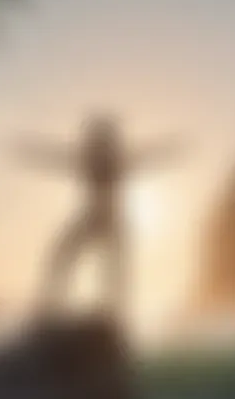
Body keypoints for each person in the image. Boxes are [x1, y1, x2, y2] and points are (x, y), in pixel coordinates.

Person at [12, 114, 187, 318]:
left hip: (110, 223)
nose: (96, 152)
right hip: (95, 220)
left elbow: (149, 155)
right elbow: (53, 156)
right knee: (65, 253)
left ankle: (112, 310)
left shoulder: (115, 159)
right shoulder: (91, 157)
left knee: (110, 266)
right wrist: (28, 149)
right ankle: (52, 305)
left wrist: (172, 148)